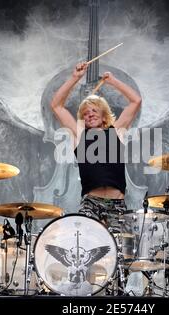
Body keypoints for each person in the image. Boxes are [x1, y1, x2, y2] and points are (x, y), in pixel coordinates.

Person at [50, 62, 142, 230]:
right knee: (88, 249)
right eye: (85, 113)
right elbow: (56, 106)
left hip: (117, 204)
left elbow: (136, 101)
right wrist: (75, 78)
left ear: (103, 115)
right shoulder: (79, 134)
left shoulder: (117, 131)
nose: (89, 114)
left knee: (118, 252)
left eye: (93, 110)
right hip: (91, 204)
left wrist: (113, 82)